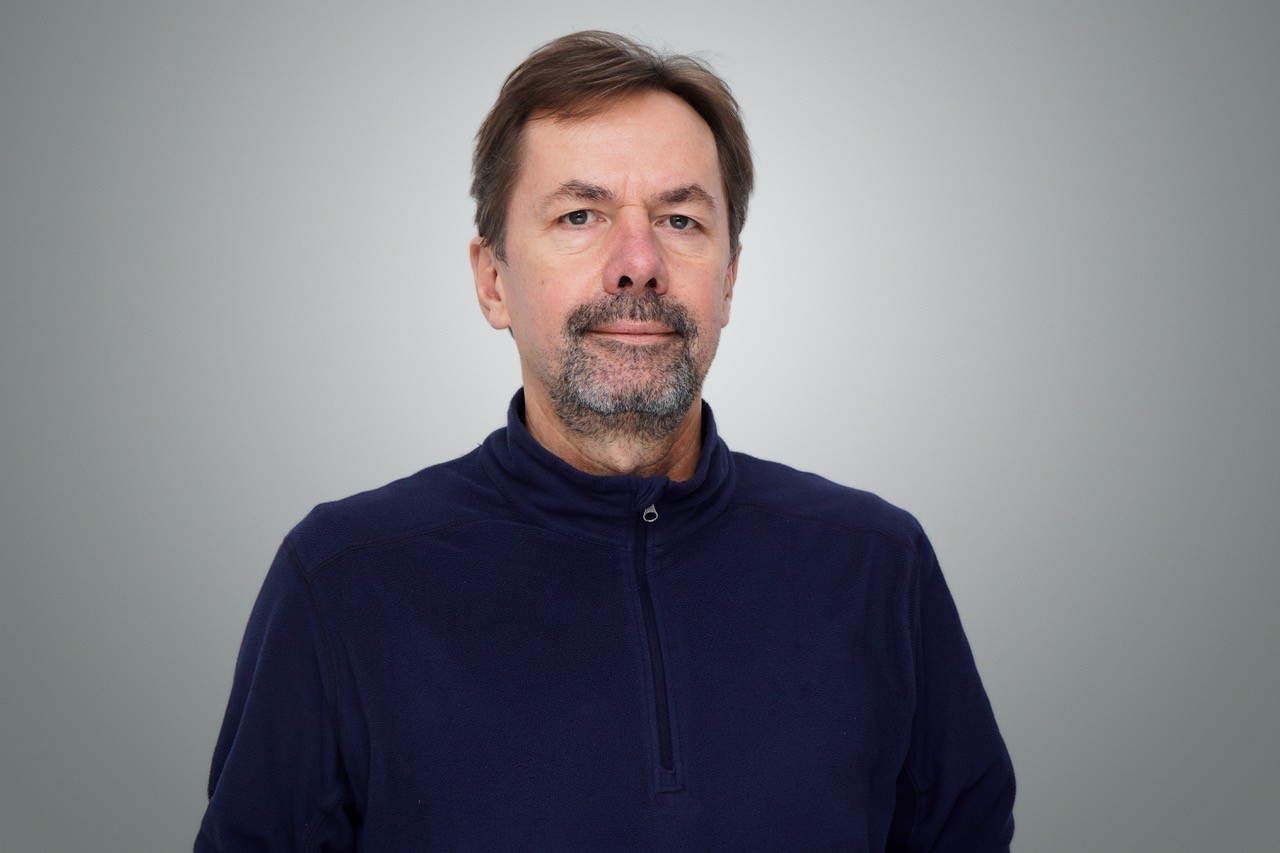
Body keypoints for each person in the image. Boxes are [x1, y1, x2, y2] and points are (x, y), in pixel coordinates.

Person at [196, 30, 1015, 851]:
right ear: (492, 280)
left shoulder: (879, 568)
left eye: (681, 219)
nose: (638, 263)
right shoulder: (342, 582)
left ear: (729, 280)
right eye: (579, 215)